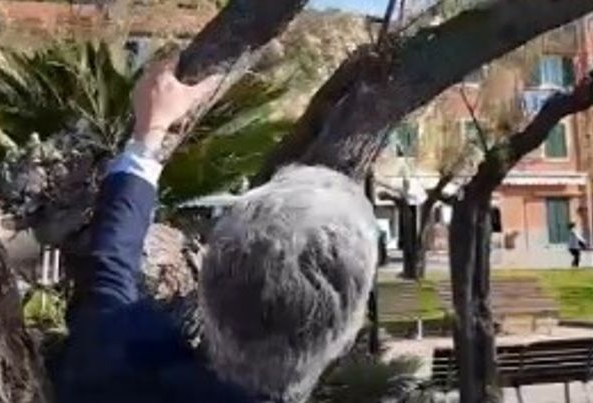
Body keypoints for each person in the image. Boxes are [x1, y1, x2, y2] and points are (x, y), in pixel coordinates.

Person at [56, 59, 379, 403]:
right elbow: (108, 280)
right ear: (348, 333)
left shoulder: (112, 359)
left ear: (206, 282)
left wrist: (149, 132)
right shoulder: (111, 348)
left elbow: (110, 270)